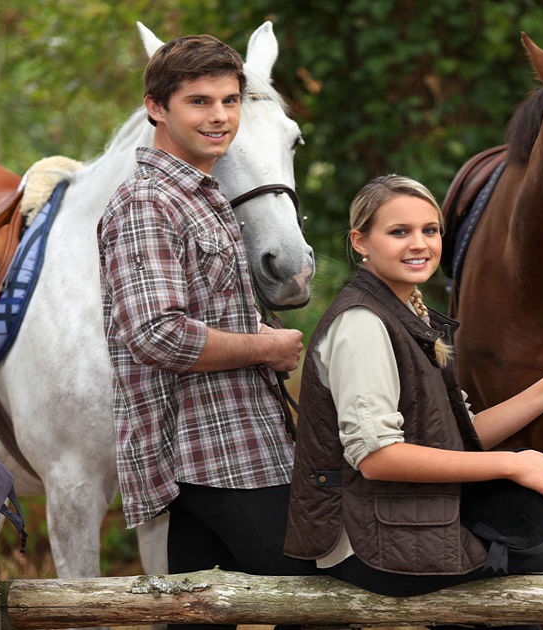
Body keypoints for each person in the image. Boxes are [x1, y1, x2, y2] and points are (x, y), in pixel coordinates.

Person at [284, 175, 543, 626]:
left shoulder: (406, 313)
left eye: (430, 231)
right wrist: (511, 464)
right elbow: (376, 457)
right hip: (374, 541)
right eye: (399, 232)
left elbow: (463, 435)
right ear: (361, 241)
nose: (419, 244)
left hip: (413, 523)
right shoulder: (362, 325)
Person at [98, 34, 319, 630]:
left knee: (197, 615)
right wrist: (265, 346)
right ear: (156, 108)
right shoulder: (148, 202)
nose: (219, 116)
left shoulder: (204, 194)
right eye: (199, 101)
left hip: (232, 442)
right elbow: (157, 334)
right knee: (319, 599)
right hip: (212, 454)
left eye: (228, 100)